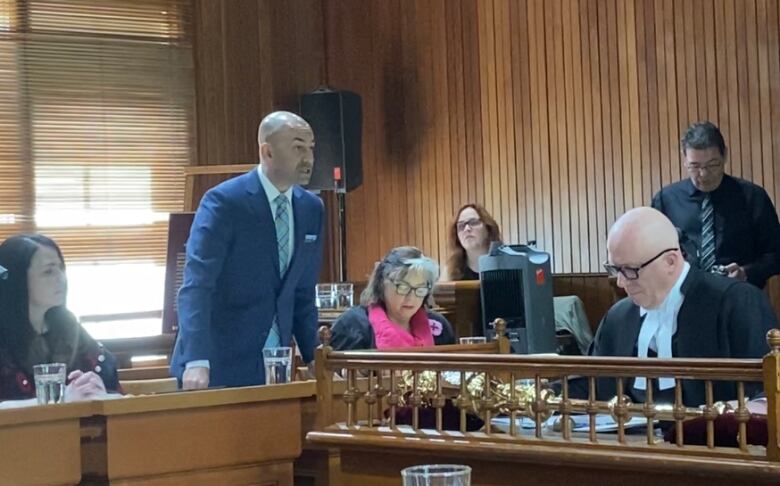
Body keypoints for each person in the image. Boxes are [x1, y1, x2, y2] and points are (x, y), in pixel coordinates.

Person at [171, 111, 324, 389]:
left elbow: (301, 291)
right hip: (217, 364)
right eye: (298, 147)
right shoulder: (224, 202)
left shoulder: (311, 208)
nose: (309, 159)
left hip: (277, 364)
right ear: (267, 152)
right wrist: (196, 360)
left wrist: (314, 357)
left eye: (311, 148)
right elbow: (196, 286)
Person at [584, 207, 777, 406]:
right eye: (615, 269)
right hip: (628, 436)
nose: (621, 283)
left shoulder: (737, 303)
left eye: (630, 270)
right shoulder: (618, 317)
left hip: (712, 435)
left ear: (670, 261)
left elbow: (769, 390)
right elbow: (589, 383)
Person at [651, 121, 780, 288]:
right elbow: (651, 253)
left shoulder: (753, 197)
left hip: (740, 296)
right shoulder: (666, 200)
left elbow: (776, 255)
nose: (703, 175)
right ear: (684, 160)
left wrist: (746, 272)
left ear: (725, 155)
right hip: (684, 296)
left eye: (712, 165)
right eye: (694, 166)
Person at [0, 235, 119, 402]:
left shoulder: (69, 327)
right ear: (17, 279)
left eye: (61, 268)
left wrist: (101, 392)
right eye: (48, 271)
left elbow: (110, 384)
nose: (61, 279)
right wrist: (61, 399)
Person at [330, 247, 455, 351]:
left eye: (420, 289)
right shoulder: (353, 325)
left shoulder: (439, 325)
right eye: (403, 287)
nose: (411, 297)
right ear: (382, 283)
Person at [445, 204, 502, 281]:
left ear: (488, 228)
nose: (467, 229)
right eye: (461, 226)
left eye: (473, 222)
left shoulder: (506, 265)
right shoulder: (449, 272)